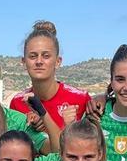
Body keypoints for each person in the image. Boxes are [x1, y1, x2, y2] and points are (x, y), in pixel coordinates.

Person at [9, 20, 91, 151]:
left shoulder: (81, 99)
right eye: (33, 56)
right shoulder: (17, 103)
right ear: (24, 62)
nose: (39, 61)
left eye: (46, 56)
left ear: (58, 61)